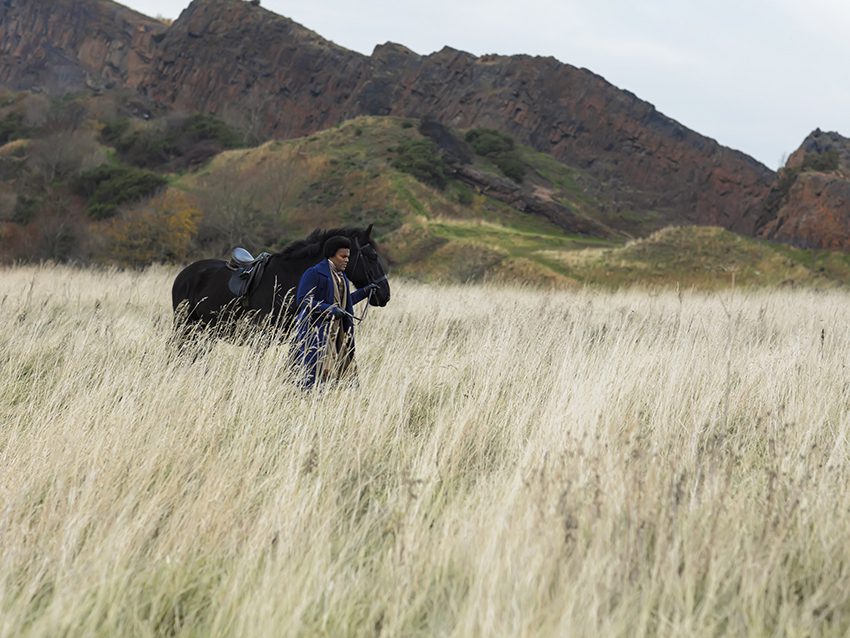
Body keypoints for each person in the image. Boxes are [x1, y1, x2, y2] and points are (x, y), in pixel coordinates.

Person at [295, 236, 378, 388]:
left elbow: (344, 304)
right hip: (316, 332)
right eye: (343, 256)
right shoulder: (313, 273)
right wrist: (329, 309)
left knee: (344, 375)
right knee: (312, 376)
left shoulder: (343, 277)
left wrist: (365, 292)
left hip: (339, 333)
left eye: (348, 256)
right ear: (331, 255)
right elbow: (303, 300)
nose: (347, 260)